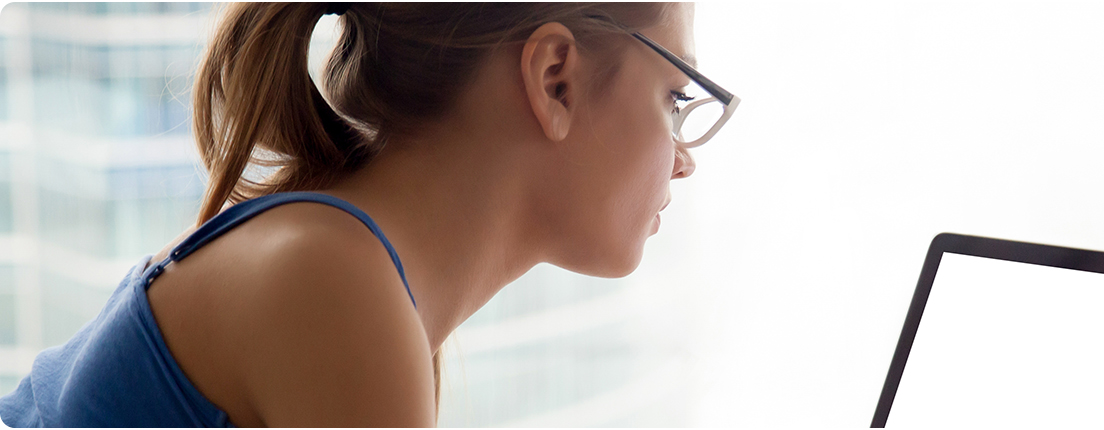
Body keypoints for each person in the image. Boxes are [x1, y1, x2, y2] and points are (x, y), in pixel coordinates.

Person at [0, 2, 738, 427]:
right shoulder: (335, 288)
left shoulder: (347, 267)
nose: (685, 157)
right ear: (556, 79)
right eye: (676, 98)